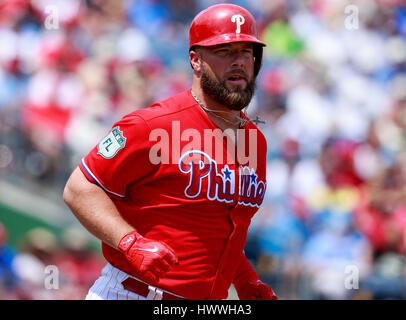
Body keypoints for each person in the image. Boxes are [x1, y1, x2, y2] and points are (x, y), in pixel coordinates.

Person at [63, 3, 278, 300]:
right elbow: (79, 188)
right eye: (225, 51)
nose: (238, 61)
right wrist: (129, 242)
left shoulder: (255, 142)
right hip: (134, 294)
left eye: (246, 51)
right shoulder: (152, 125)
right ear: (196, 60)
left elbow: (217, 232)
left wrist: (245, 280)